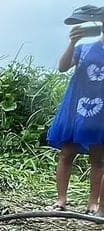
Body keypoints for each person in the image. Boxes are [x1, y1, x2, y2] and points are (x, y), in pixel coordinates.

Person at [46, 5, 104, 216]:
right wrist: (72, 42)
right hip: (76, 107)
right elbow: (62, 67)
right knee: (67, 153)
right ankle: (61, 199)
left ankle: (93, 203)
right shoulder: (85, 48)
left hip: (100, 111)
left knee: (98, 158)